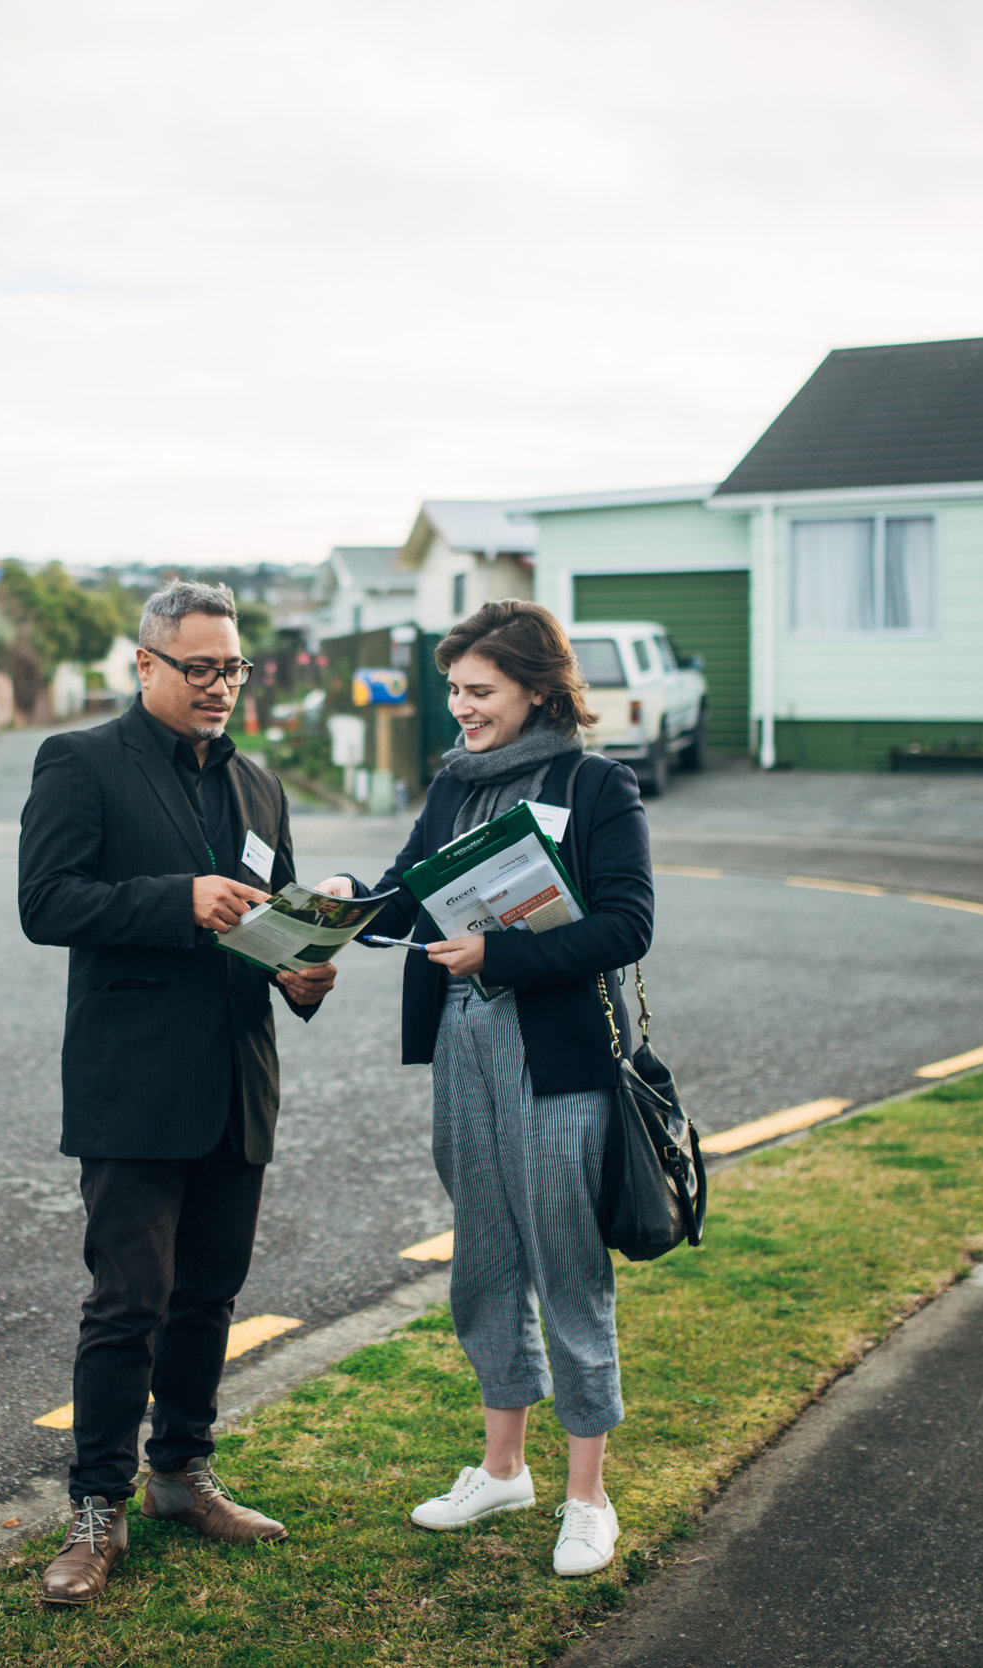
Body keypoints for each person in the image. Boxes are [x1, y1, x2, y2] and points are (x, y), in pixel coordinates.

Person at [16, 579, 338, 1606]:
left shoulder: (260, 785)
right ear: (145, 664)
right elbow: (44, 903)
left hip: (238, 1083)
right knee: (128, 1305)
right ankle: (95, 1508)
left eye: (232, 668)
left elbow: (272, 923)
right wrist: (178, 900)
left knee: (208, 1298)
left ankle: (181, 1475)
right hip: (134, 1086)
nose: (220, 686)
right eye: (199, 667)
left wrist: (300, 974)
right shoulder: (79, 763)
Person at [317, 599, 653, 1579]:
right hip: (461, 1041)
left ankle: (588, 1499)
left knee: (566, 1264)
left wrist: (498, 953)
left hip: (558, 1055)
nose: (460, 707)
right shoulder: (453, 785)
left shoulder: (595, 784)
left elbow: (627, 925)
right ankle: (503, 1470)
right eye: (454, 691)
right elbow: (403, 899)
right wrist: (348, 900)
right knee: (485, 1260)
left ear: (538, 691)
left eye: (479, 691)